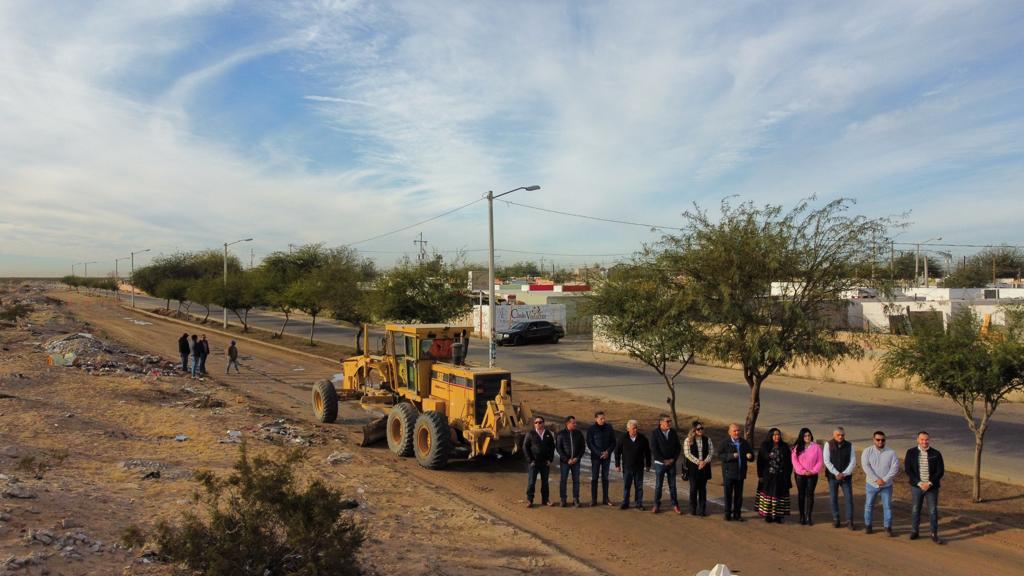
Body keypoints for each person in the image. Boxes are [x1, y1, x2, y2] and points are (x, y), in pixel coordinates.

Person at [905, 431, 945, 544]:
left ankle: (934, 534)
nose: (924, 442)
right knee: (915, 509)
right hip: (917, 487)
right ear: (918, 440)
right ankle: (914, 531)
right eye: (922, 439)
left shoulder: (936, 453)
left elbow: (940, 471)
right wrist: (919, 483)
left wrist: (929, 483)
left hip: (931, 488)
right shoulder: (911, 452)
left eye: (926, 439)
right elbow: (908, 470)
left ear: (929, 440)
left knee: (932, 511)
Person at [861, 430, 900, 536]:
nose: (880, 442)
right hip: (871, 484)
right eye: (878, 440)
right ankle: (868, 526)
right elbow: (865, 466)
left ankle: (887, 527)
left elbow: (895, 468)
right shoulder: (867, 451)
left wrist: (885, 480)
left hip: (886, 485)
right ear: (874, 440)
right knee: (869, 505)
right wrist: (876, 479)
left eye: (882, 440)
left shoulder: (891, 452)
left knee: (887, 506)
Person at [717, 423, 754, 521]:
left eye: (738, 431)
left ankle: (737, 515)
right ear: (729, 432)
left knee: (738, 496)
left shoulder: (744, 443)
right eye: (735, 431)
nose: (737, 433)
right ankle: (727, 514)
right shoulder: (724, 443)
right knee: (728, 494)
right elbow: (719, 455)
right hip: (728, 473)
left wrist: (750, 456)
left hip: (740, 474)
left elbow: (752, 455)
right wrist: (731, 456)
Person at [756, 428, 792, 523]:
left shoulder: (784, 446)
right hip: (768, 476)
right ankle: (768, 515)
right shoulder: (765, 446)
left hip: (781, 476)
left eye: (778, 435)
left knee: (779, 497)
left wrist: (788, 474)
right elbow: (760, 461)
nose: (777, 437)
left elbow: (789, 462)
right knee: (769, 496)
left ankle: (778, 516)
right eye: (775, 435)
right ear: (771, 436)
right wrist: (760, 475)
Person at [823, 426, 857, 529]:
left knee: (849, 498)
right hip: (833, 477)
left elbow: (853, 461)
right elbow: (826, 461)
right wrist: (836, 473)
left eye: (842, 435)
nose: (840, 437)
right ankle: (836, 519)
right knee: (833, 498)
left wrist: (845, 473)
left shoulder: (849, 445)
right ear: (834, 435)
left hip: (846, 477)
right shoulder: (828, 445)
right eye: (838, 435)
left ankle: (849, 521)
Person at [614, 419, 651, 510]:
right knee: (627, 486)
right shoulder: (622, 438)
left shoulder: (643, 438)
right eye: (633, 428)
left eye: (636, 428)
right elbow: (617, 452)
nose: (635, 430)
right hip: (627, 467)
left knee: (639, 486)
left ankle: (639, 503)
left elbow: (648, 452)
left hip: (639, 467)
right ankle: (625, 502)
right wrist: (617, 464)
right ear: (628, 429)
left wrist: (648, 464)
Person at [649, 415, 682, 514]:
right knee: (659, 485)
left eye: (670, 421)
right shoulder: (655, 433)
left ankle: (675, 505)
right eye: (667, 421)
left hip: (671, 463)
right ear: (661, 422)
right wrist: (663, 460)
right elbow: (654, 449)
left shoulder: (673, 432)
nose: (669, 423)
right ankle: (656, 505)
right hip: (660, 463)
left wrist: (673, 459)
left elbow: (678, 447)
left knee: (672, 485)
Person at [791, 427, 822, 525]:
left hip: (812, 475)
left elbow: (820, 461)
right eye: (805, 436)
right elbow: (794, 461)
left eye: (809, 435)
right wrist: (802, 471)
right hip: (800, 475)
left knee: (810, 495)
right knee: (801, 495)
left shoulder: (816, 447)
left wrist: (813, 471)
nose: (807, 437)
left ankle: (808, 516)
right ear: (802, 437)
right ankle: (802, 516)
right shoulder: (797, 448)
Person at [522, 416, 556, 508]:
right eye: (536, 422)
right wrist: (530, 460)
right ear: (534, 424)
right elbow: (525, 447)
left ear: (543, 423)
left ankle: (545, 500)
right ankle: (530, 500)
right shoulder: (530, 433)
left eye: (540, 422)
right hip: (534, 463)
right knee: (531, 482)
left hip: (545, 463)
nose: (538, 424)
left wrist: (550, 460)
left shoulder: (548, 434)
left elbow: (552, 447)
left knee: (545, 482)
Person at [683, 420, 713, 516]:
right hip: (693, 468)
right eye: (698, 429)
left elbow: (711, 452)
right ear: (694, 430)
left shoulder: (707, 439)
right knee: (693, 489)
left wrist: (704, 462)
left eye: (701, 428)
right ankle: (693, 509)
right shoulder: (688, 440)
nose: (700, 430)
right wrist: (698, 462)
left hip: (704, 467)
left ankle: (702, 509)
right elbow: (687, 454)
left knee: (702, 489)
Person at [587, 411, 617, 507]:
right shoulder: (591, 429)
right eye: (601, 419)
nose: (603, 420)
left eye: (604, 418)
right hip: (596, 457)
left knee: (605, 478)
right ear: (596, 419)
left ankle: (605, 499)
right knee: (595, 478)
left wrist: (607, 452)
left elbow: (613, 442)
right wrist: (599, 453)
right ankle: (594, 499)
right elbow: (590, 443)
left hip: (607, 457)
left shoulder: (609, 427)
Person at [556, 415, 586, 507]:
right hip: (565, 462)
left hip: (576, 462)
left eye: (575, 423)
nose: (575, 424)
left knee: (576, 480)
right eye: (573, 423)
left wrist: (577, 458)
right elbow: (558, 448)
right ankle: (563, 499)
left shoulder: (578, 433)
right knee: (563, 480)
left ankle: (576, 499)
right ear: (567, 423)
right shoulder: (561, 434)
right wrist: (566, 459)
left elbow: (583, 447)